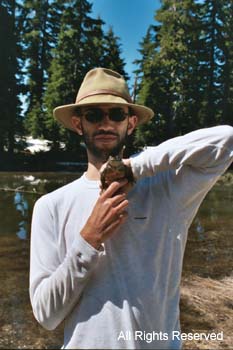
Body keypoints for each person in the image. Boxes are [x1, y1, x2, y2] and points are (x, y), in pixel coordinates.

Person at [29, 67, 233, 349]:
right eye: (93, 115)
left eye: (116, 114)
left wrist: (134, 167)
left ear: (131, 122)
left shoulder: (167, 189)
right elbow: (46, 315)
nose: (105, 123)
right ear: (78, 124)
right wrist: (88, 239)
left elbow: (226, 139)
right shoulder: (50, 206)